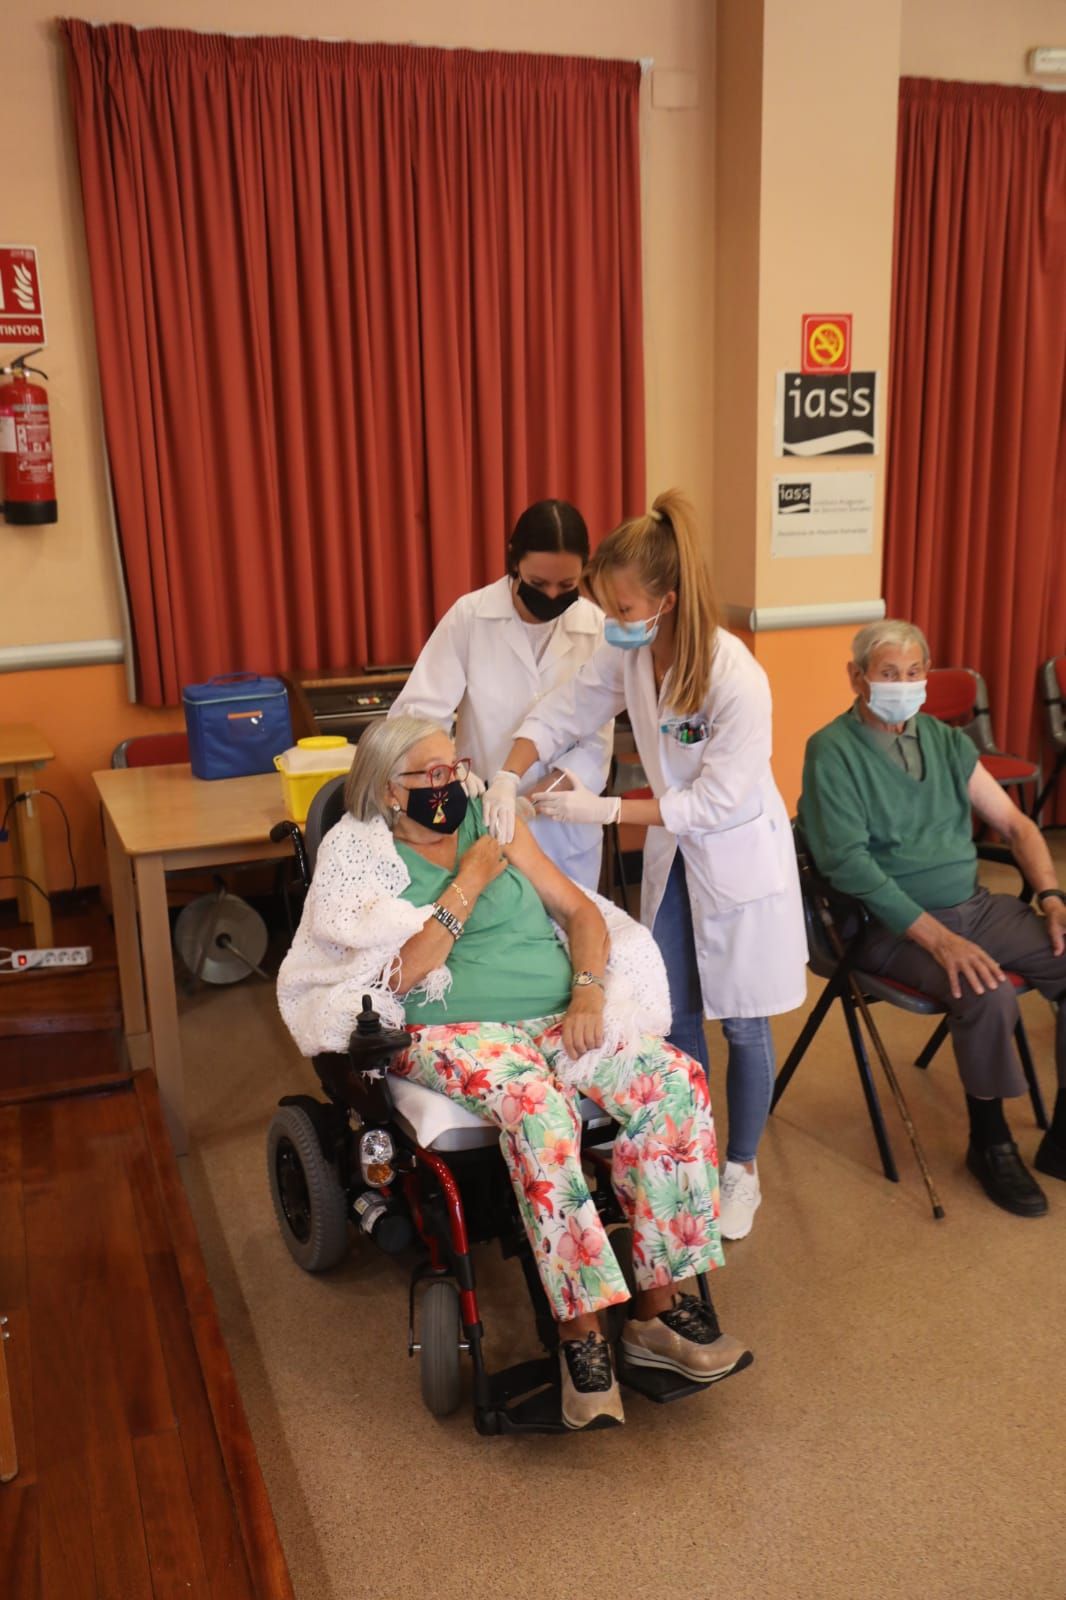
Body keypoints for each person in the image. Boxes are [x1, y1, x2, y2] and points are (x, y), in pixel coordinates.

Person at [277, 715, 751, 1431]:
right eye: (430, 776)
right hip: (449, 1029)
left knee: (676, 1082)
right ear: (388, 791)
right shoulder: (359, 855)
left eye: (455, 767)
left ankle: (657, 1315)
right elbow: (397, 975)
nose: (451, 785)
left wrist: (590, 986)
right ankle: (580, 1338)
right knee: (538, 1107)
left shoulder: (496, 827)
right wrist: (466, 884)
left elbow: (579, 912)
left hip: (558, 1014)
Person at [484, 490, 808, 1242]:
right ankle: (688, 1151)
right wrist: (509, 773)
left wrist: (610, 811)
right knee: (672, 1010)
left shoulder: (735, 676)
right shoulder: (626, 651)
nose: (613, 620)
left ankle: (741, 1168)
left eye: (623, 607)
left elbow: (717, 804)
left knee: (746, 1025)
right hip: (678, 853)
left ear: (666, 599)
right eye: (609, 606)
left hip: (735, 857)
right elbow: (564, 709)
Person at [798, 619, 1066, 1218]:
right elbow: (847, 866)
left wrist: (1051, 897)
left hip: (973, 907)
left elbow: (1018, 824)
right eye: (888, 673)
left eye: (914, 672)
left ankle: (1063, 1133)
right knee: (985, 988)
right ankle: (990, 1141)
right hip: (884, 927)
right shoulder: (832, 750)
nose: (903, 684)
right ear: (858, 677)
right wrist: (939, 940)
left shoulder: (946, 743)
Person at [388, 499, 611, 890]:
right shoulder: (471, 617)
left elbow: (594, 747)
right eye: (539, 584)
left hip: (566, 835)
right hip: (481, 819)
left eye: (567, 586)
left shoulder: (596, 628)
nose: (552, 595)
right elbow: (415, 719)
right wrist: (454, 773)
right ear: (514, 562)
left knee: (568, 937)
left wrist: (526, 802)